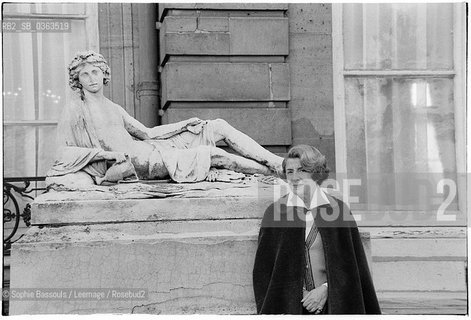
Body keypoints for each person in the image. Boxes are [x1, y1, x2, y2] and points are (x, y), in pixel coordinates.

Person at [47, 51, 283, 185]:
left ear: (104, 74)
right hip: (139, 164)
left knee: (217, 126)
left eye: (95, 72)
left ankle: (276, 162)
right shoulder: (75, 110)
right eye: (85, 75)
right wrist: (108, 155)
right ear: (78, 80)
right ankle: (275, 176)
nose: (91, 78)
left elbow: (148, 133)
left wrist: (184, 124)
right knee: (213, 154)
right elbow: (62, 153)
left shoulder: (113, 107)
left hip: (152, 147)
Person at [252, 145, 381, 314]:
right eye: (289, 172)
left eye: (302, 170)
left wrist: (326, 289)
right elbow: (264, 270)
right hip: (290, 307)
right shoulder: (275, 213)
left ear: (316, 172)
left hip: (335, 306)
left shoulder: (338, 211)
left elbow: (353, 266)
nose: (294, 177)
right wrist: (299, 293)